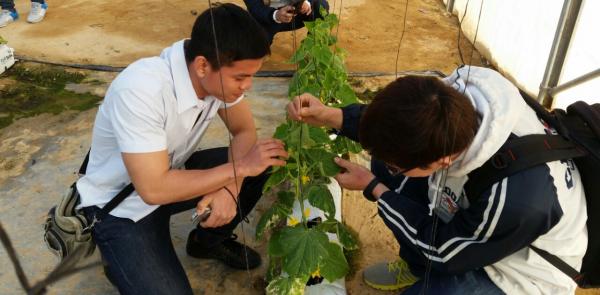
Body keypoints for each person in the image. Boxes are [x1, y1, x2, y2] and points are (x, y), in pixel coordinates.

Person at [286, 66, 587, 294]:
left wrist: (373, 188)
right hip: (484, 224)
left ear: (442, 162)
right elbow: (400, 125)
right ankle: (417, 266)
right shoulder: (451, 99)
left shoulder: (515, 198)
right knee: (386, 168)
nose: (390, 169)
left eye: (399, 166)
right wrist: (331, 116)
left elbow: (444, 251)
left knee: (437, 274)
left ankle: (427, 270)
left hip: (521, 270)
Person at [76, 3, 288, 294]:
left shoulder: (212, 76)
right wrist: (238, 169)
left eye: (251, 76)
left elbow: (244, 130)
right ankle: (120, 258)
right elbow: (153, 189)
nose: (247, 87)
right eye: (240, 77)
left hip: (172, 172)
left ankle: (207, 242)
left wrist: (231, 187)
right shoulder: (141, 89)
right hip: (121, 205)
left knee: (264, 164)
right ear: (203, 65)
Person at [243, 0, 329, 44]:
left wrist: (307, 2)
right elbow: (255, 7)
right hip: (268, 17)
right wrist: (275, 15)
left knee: (321, 7)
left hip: (297, 13)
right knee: (256, 53)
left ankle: (312, 48)